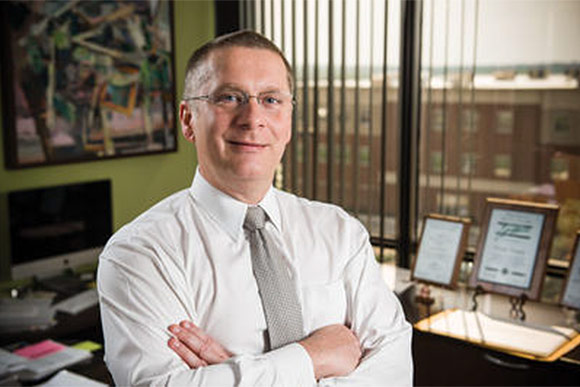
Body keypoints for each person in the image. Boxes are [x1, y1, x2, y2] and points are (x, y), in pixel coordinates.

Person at [97, 30, 412, 386]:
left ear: (290, 119)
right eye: (230, 98)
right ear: (188, 119)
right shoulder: (140, 254)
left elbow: (395, 372)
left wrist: (236, 372)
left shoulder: (340, 232)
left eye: (271, 99)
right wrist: (313, 357)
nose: (252, 118)